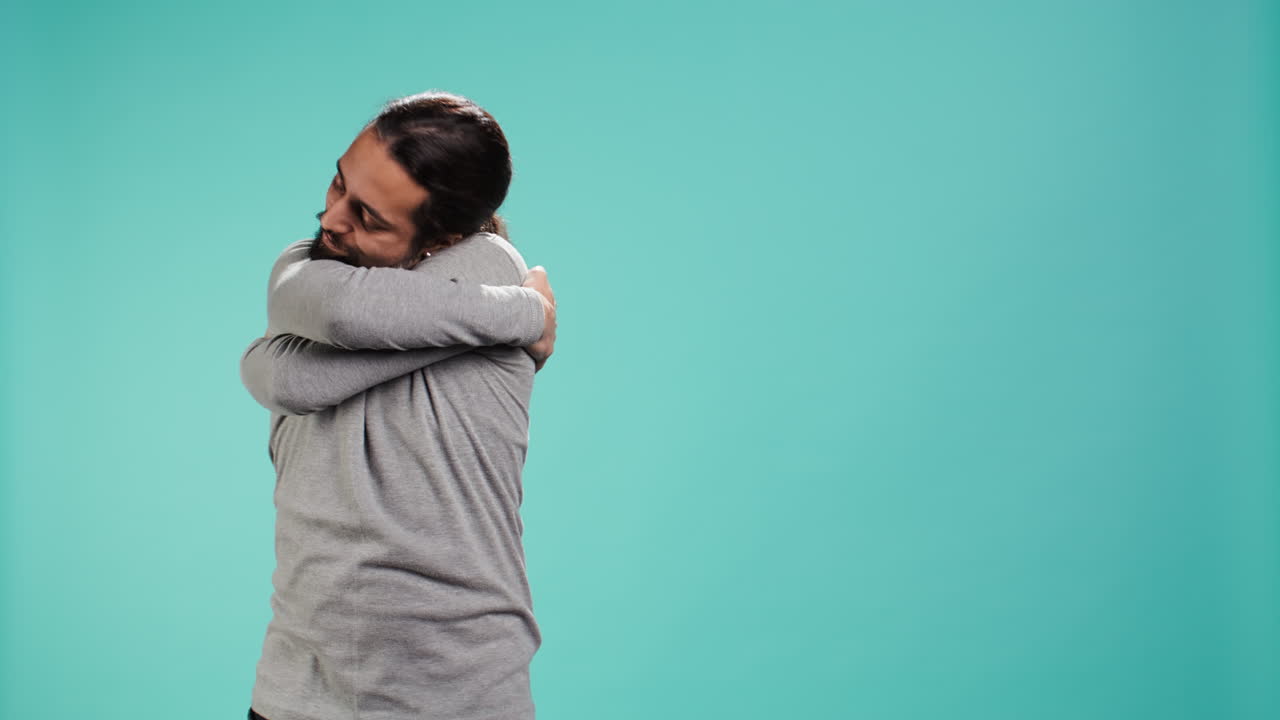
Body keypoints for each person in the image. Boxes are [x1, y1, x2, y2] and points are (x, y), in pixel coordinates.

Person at [238, 91, 558, 720]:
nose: (332, 219)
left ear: (443, 236)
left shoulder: (489, 266)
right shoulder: (318, 272)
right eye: (338, 183)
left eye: (370, 217)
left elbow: (305, 348)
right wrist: (526, 315)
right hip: (295, 692)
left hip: (449, 696)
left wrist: (521, 308)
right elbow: (293, 369)